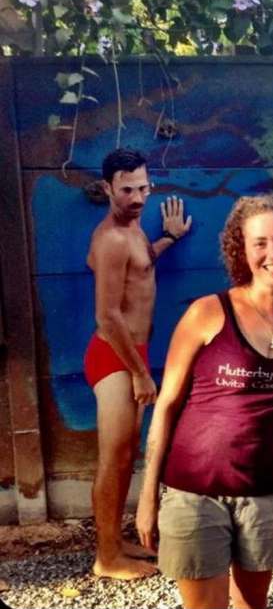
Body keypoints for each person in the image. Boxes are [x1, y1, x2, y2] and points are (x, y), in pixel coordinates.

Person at [135, 194, 273, 609]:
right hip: (195, 491)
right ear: (242, 250)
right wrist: (147, 497)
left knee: (254, 605)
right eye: (260, 243)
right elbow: (166, 406)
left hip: (267, 490)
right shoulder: (207, 313)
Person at [84, 147, 192, 580]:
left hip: (130, 354)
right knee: (113, 458)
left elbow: (141, 266)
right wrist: (140, 373)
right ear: (107, 188)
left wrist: (169, 238)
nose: (137, 198)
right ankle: (106, 557)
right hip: (116, 356)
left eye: (143, 188)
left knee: (125, 455)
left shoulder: (132, 229)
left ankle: (114, 541)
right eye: (127, 190)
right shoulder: (111, 238)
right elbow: (107, 317)